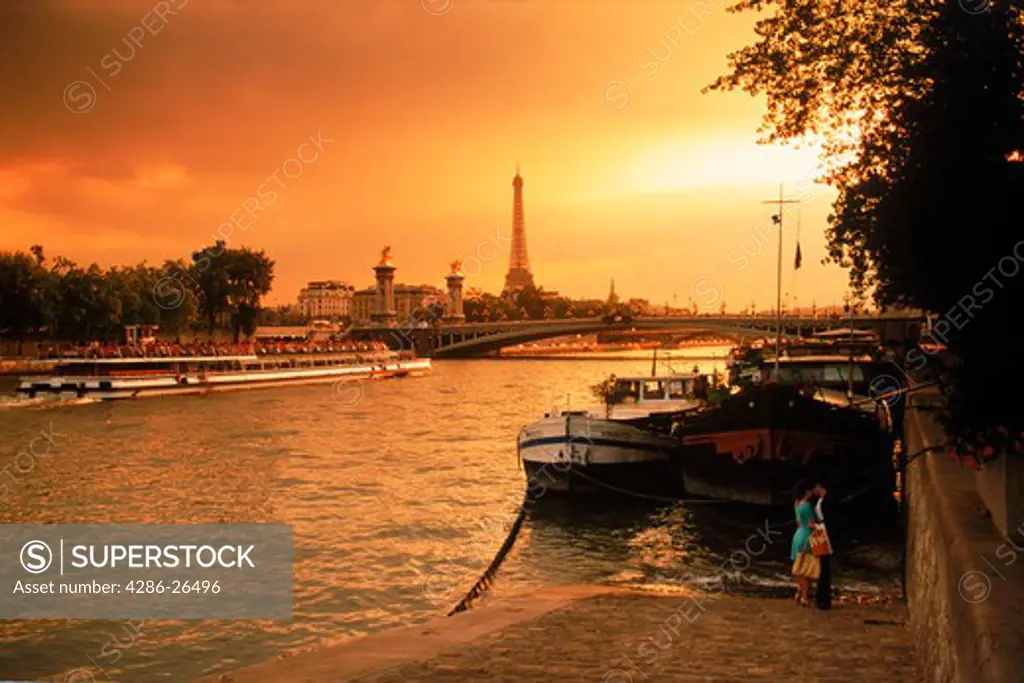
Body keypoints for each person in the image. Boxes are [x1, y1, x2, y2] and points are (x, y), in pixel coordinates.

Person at [790, 480, 818, 606]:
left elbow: (798, 522)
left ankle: (799, 591)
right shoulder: (807, 506)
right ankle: (804, 597)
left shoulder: (797, 504)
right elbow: (812, 524)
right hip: (807, 535)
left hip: (798, 534)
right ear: (807, 491)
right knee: (806, 567)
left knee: (798, 565)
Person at [814, 481, 834, 610]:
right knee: (822, 566)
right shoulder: (820, 500)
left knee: (825, 567)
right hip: (821, 531)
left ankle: (824, 599)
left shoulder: (828, 500)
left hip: (825, 532)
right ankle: (821, 597)